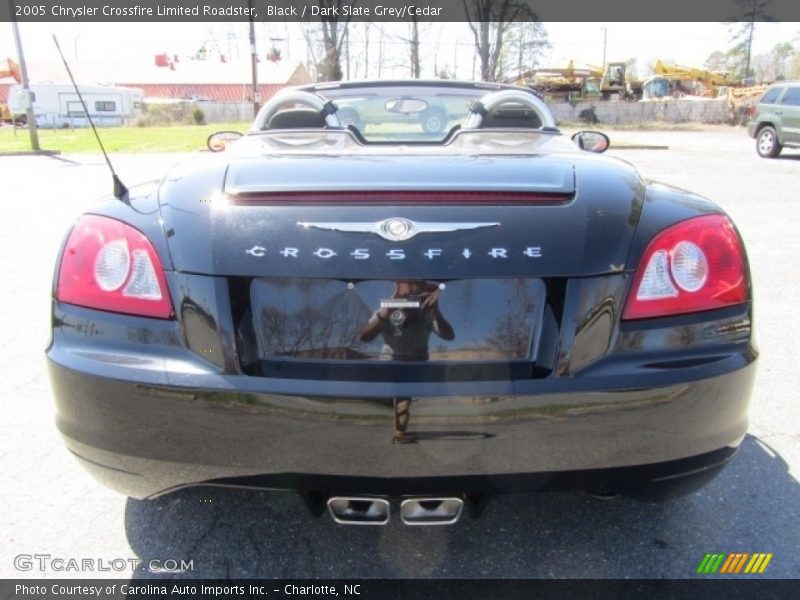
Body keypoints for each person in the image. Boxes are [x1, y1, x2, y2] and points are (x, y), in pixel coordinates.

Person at [359, 280, 455, 443]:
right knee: (400, 396)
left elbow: (449, 336)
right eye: (407, 295)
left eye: (416, 296)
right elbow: (364, 337)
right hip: (392, 361)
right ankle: (398, 430)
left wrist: (436, 310)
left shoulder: (427, 314)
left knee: (403, 398)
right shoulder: (387, 310)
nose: (412, 301)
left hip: (415, 362)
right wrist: (388, 309)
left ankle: (399, 430)